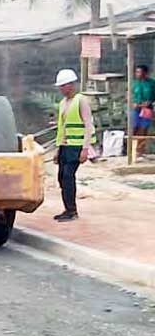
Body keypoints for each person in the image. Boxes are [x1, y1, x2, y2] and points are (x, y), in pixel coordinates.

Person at [53, 69, 96, 222]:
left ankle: (72, 211)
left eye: (63, 85)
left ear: (71, 85)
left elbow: (88, 124)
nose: (61, 89)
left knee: (68, 176)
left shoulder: (80, 100)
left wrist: (85, 149)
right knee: (61, 177)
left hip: (77, 146)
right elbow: (62, 127)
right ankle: (67, 209)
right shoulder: (62, 104)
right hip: (65, 146)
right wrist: (58, 149)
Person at [131, 64, 154, 155]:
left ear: (145, 73)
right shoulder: (134, 83)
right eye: (136, 72)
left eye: (139, 72)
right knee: (134, 127)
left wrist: (150, 102)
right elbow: (129, 94)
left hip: (147, 109)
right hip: (136, 108)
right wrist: (132, 102)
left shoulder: (151, 83)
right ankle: (131, 149)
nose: (137, 74)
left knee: (143, 129)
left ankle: (140, 150)